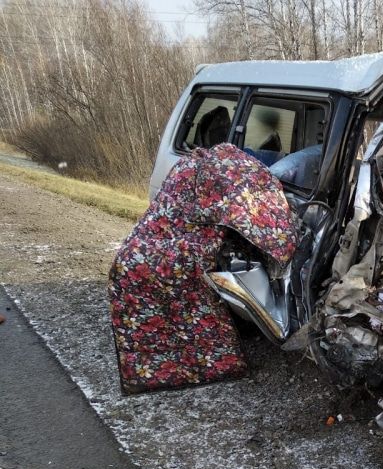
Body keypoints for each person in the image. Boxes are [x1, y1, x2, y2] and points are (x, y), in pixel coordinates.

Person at [108, 144, 298, 394]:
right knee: (173, 271)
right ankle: (207, 365)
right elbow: (257, 223)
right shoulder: (236, 180)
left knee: (135, 266)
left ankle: (160, 367)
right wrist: (281, 249)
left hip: (148, 248)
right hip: (174, 243)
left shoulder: (201, 168)